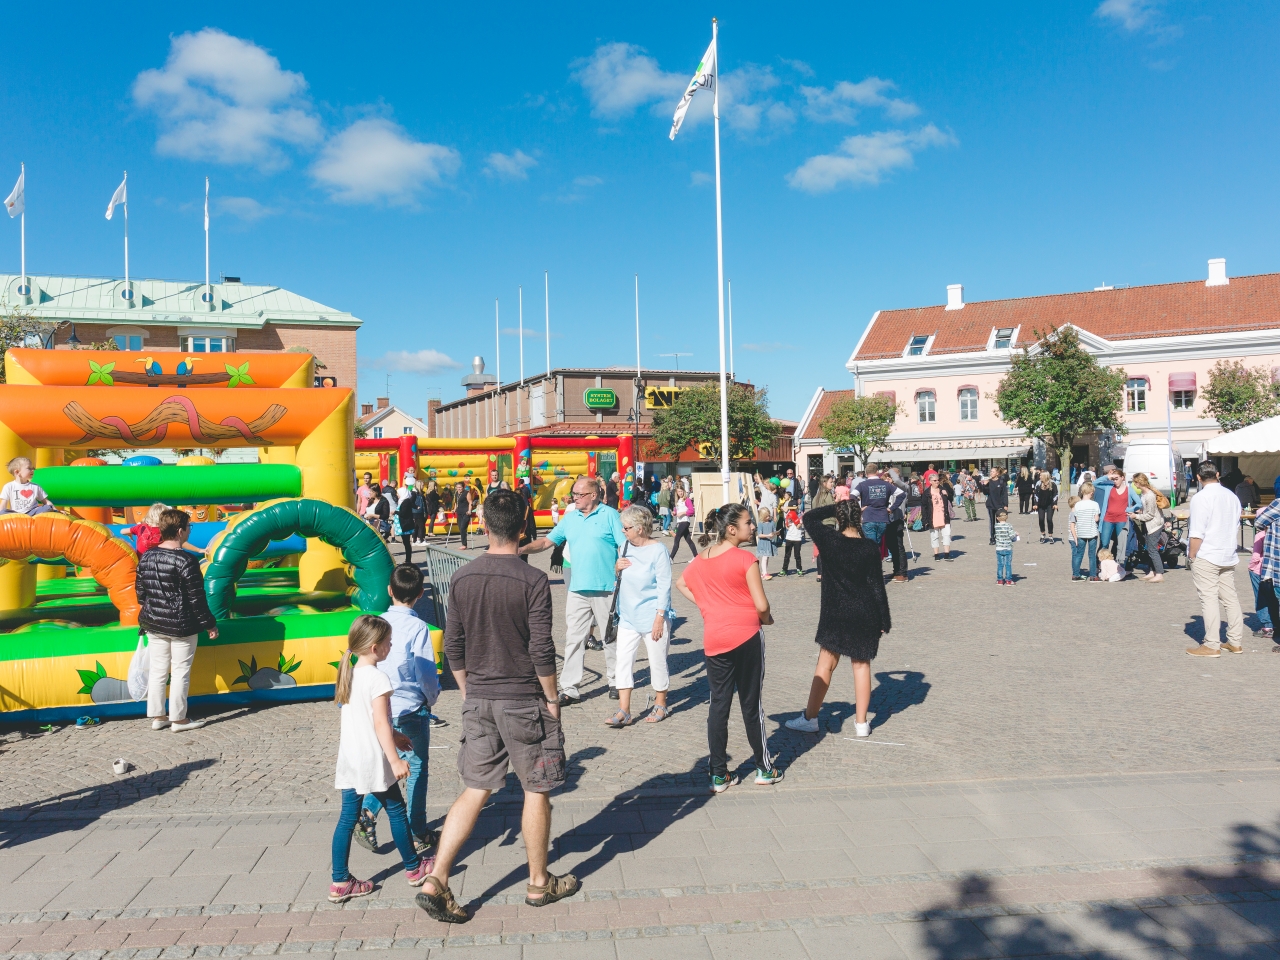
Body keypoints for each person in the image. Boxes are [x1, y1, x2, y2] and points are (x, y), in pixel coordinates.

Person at [417, 490, 576, 923]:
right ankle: (539, 883)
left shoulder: (463, 578)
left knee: (476, 788)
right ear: (525, 527)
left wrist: (469, 690)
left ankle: (438, 878)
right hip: (523, 698)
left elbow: (454, 645)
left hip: (481, 696)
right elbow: (541, 647)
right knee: (536, 788)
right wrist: (552, 697)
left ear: (484, 525)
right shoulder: (532, 580)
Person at [675, 504, 783, 793]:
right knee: (751, 704)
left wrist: (707, 606)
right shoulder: (745, 559)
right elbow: (762, 605)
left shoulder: (699, 560)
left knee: (718, 705)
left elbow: (681, 583)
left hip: (715, 638)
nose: (752, 527)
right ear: (732, 528)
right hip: (746, 635)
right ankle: (764, 768)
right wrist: (767, 619)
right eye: (749, 523)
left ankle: (719, 774)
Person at [328, 615, 431, 903]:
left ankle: (339, 881)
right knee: (397, 810)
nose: (391, 646)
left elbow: (369, 720)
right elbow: (380, 724)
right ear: (375, 647)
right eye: (388, 643)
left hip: (351, 757)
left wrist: (397, 737)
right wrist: (395, 759)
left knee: (347, 819)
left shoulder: (350, 672)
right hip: (372, 758)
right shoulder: (378, 678)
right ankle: (414, 868)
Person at [352, 564, 441, 853]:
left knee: (390, 765)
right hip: (409, 707)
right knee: (416, 768)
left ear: (390, 591)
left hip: (379, 707)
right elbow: (425, 671)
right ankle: (418, 830)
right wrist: (431, 698)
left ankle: (366, 813)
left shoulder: (376, 622)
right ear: (419, 594)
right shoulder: (418, 627)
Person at [785, 500, 891, 736]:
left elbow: (810, 517)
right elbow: (877, 587)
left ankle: (810, 717)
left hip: (835, 612)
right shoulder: (869, 548)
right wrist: (884, 619)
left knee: (825, 664)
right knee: (861, 665)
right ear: (859, 519)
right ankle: (862, 723)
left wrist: (836, 507)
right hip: (865, 612)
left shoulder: (829, 540)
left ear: (839, 518)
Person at [521, 476, 624, 704]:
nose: (573, 498)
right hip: (577, 589)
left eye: (578, 494)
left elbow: (624, 545)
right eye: (573, 494)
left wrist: (623, 566)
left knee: (610, 638)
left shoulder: (610, 515)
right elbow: (547, 542)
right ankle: (570, 689)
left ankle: (616, 681)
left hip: (606, 588)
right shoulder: (570, 518)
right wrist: (519, 549)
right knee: (573, 639)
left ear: (593, 495)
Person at [135, 508, 219, 732]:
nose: (190, 531)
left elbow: (141, 593)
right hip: (181, 625)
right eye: (189, 527)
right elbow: (196, 600)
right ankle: (179, 719)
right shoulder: (187, 561)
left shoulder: (147, 556)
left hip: (153, 623)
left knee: (158, 670)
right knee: (180, 670)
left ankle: (157, 716)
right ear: (180, 531)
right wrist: (209, 624)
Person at [606, 504, 672, 726]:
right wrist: (616, 568)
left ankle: (660, 704)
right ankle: (624, 710)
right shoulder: (624, 546)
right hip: (628, 616)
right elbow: (619, 579)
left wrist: (659, 618)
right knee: (623, 662)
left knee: (657, 661)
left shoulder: (658, 550)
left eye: (627, 527)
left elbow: (664, 586)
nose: (623, 531)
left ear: (641, 528)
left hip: (653, 615)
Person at [1186, 462, 1245, 656]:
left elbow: (1197, 532)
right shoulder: (1231, 496)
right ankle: (1235, 641)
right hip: (1227, 553)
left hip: (1208, 553)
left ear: (1198, 477)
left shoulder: (1201, 498)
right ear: (1218, 474)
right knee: (1230, 597)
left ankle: (1212, 643)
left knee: (1209, 598)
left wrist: (1192, 554)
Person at [1128, 473, 1166, 583]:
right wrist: (1136, 511)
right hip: (1149, 524)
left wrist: (1136, 516)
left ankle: (1159, 574)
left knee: (1152, 549)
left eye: (1135, 482)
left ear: (1139, 483)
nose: (1134, 484)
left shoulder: (1150, 495)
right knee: (1148, 549)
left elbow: (1150, 515)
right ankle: (1151, 571)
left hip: (1154, 525)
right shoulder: (1144, 494)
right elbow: (1146, 510)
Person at [852, 464, 893, 546]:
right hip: (882, 517)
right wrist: (892, 508)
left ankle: (873, 557)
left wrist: (859, 508)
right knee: (876, 544)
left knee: (871, 545)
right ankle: (876, 557)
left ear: (866, 473)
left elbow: (852, 496)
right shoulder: (886, 484)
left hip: (868, 517)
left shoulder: (862, 484)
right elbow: (901, 494)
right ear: (877, 472)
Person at [1069, 482, 1101, 581]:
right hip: (1091, 532)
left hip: (1081, 532)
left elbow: (1077, 518)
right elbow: (1096, 519)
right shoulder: (1095, 504)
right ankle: (1093, 575)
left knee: (1079, 554)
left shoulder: (1077, 505)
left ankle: (1075, 574)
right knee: (1091, 555)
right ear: (1091, 492)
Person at [921, 472, 955, 562]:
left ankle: (947, 554)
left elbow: (951, 498)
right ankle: (936, 554)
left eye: (938, 480)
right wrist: (924, 520)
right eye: (934, 480)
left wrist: (947, 494)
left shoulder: (943, 489)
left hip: (944, 516)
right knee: (934, 536)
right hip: (933, 517)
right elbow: (924, 507)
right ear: (930, 481)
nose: (937, 482)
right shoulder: (927, 493)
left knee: (947, 535)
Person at [1248, 529, 1273, 639]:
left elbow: (1256, 555)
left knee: (1260, 597)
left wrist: (1251, 567)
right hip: (1275, 570)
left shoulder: (1261, 534)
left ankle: (1268, 626)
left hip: (1260, 569)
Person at [979, 467, 1008, 545]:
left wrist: (1005, 504)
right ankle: (992, 538)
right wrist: (984, 485)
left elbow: (1004, 494)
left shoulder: (1001, 482)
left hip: (1000, 505)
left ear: (997, 473)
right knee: (992, 521)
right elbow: (985, 493)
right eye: (990, 471)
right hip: (991, 504)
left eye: (993, 472)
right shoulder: (989, 482)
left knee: (1000, 521)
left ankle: (1000, 537)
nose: (991, 473)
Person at [670, 487, 697, 562]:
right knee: (688, 540)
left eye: (681, 491)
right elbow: (676, 510)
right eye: (678, 491)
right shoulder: (678, 501)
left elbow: (691, 511)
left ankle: (671, 558)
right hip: (680, 521)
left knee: (677, 538)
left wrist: (683, 513)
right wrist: (674, 513)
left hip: (685, 521)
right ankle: (696, 556)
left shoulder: (687, 500)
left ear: (684, 491)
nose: (680, 493)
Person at [1032, 472, 1058, 542]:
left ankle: (1050, 535)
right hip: (1041, 504)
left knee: (1049, 519)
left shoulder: (1052, 484)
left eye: (1041, 475)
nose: (1039, 477)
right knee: (1041, 519)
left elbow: (1055, 494)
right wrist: (1035, 504)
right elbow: (1036, 495)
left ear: (1045, 476)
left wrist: (1055, 503)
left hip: (1050, 504)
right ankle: (1043, 534)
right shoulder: (1038, 483)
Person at [994, 508, 1016, 585]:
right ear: (1007, 517)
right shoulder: (1009, 525)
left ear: (997, 518)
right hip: (1008, 547)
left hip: (999, 548)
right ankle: (1008, 580)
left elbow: (995, 535)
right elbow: (1011, 536)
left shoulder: (996, 526)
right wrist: (1016, 534)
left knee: (1000, 564)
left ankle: (1000, 579)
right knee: (1008, 564)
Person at [755, 507, 777, 579]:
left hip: (769, 542)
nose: (768, 517)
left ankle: (764, 572)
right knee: (764, 558)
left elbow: (774, 530)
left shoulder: (771, 522)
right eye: (766, 516)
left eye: (769, 515)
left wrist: (775, 533)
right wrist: (768, 535)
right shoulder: (761, 523)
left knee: (767, 558)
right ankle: (764, 573)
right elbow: (759, 535)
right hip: (763, 543)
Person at [782, 508, 805, 575]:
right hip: (789, 537)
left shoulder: (799, 515)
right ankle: (784, 569)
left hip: (797, 538)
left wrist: (795, 518)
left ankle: (799, 569)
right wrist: (787, 524)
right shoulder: (788, 515)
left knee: (797, 555)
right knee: (787, 555)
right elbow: (787, 526)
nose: (792, 510)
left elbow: (798, 526)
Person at [396, 492, 416, 564]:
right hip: (404, 524)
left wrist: (395, 512)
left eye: (398, 493)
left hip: (406, 525)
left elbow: (403, 513)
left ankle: (408, 560)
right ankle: (407, 559)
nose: (397, 495)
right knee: (405, 542)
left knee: (406, 543)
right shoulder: (403, 501)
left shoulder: (405, 502)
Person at [454, 482, 471, 549]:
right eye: (458, 487)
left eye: (460, 487)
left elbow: (470, 502)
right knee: (460, 528)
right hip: (459, 512)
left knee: (463, 528)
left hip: (466, 512)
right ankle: (463, 543)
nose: (459, 489)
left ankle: (464, 545)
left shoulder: (467, 493)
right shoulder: (456, 493)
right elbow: (456, 503)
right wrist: (454, 509)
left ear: (463, 487)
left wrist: (469, 510)